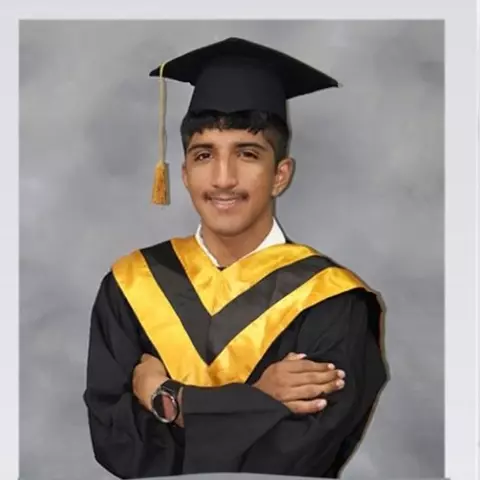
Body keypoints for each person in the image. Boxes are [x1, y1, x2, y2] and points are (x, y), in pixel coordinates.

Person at [83, 37, 388, 479]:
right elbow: (117, 440)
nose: (223, 178)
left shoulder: (334, 302)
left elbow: (300, 454)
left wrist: (169, 399)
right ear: (184, 174)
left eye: (247, 154)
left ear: (280, 174)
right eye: (204, 155)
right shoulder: (130, 286)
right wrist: (258, 400)